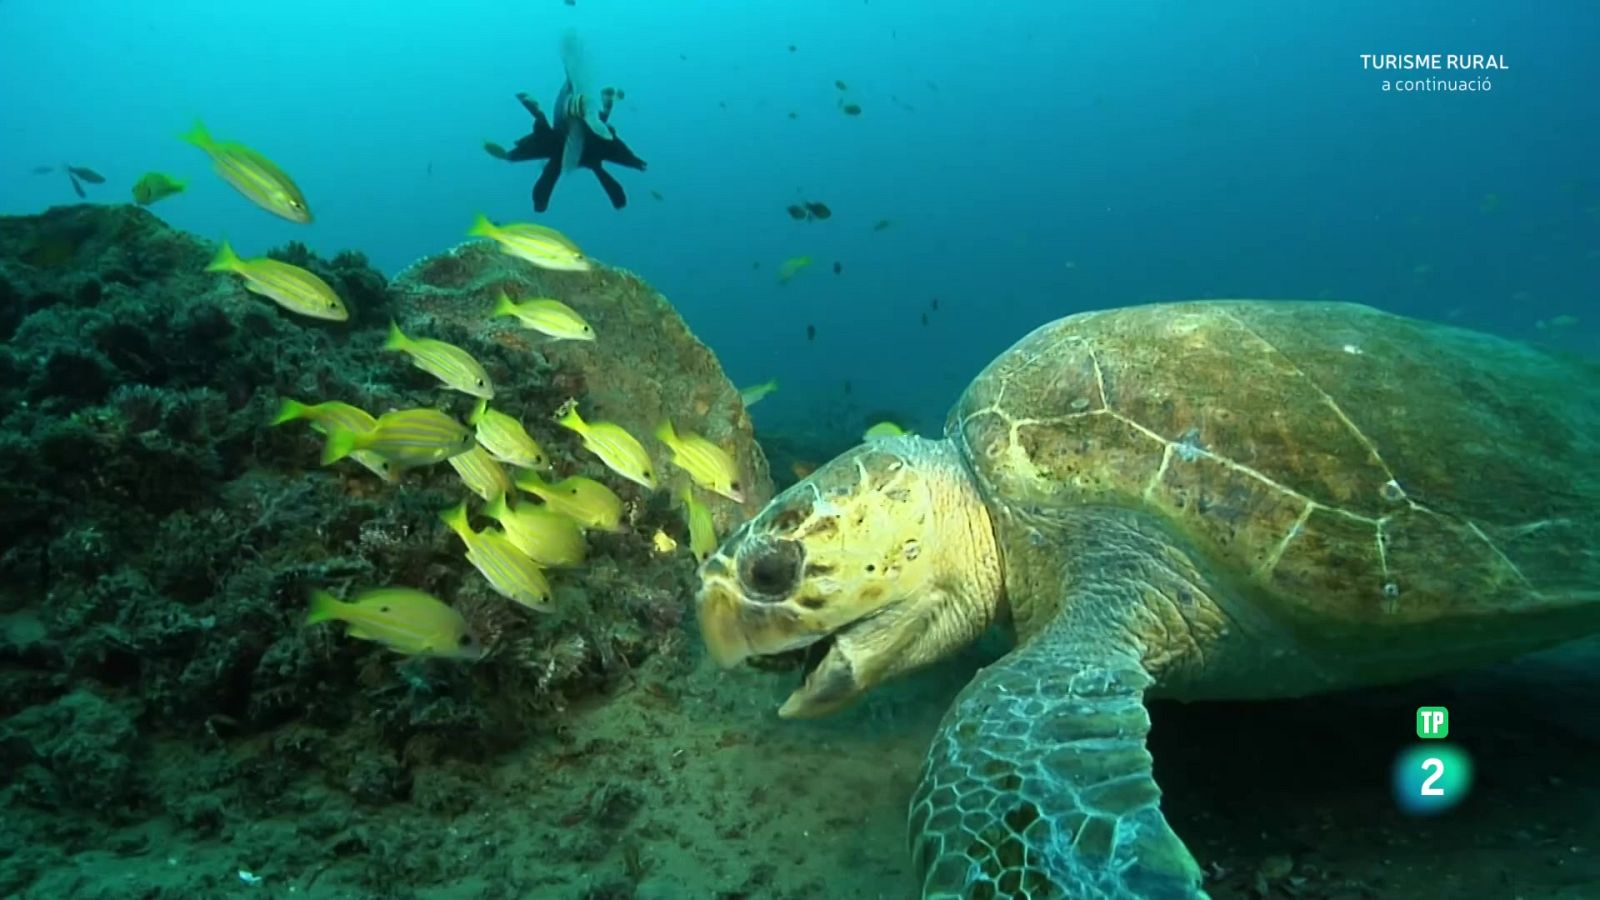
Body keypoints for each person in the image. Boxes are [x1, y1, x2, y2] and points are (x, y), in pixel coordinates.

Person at [486, 83, 647, 212]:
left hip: (577, 146)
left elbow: (614, 146)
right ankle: (604, 107)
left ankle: (538, 112)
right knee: (550, 164)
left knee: (547, 162)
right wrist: (635, 162)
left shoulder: (591, 144)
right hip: (578, 146)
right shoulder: (592, 146)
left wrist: (635, 162)